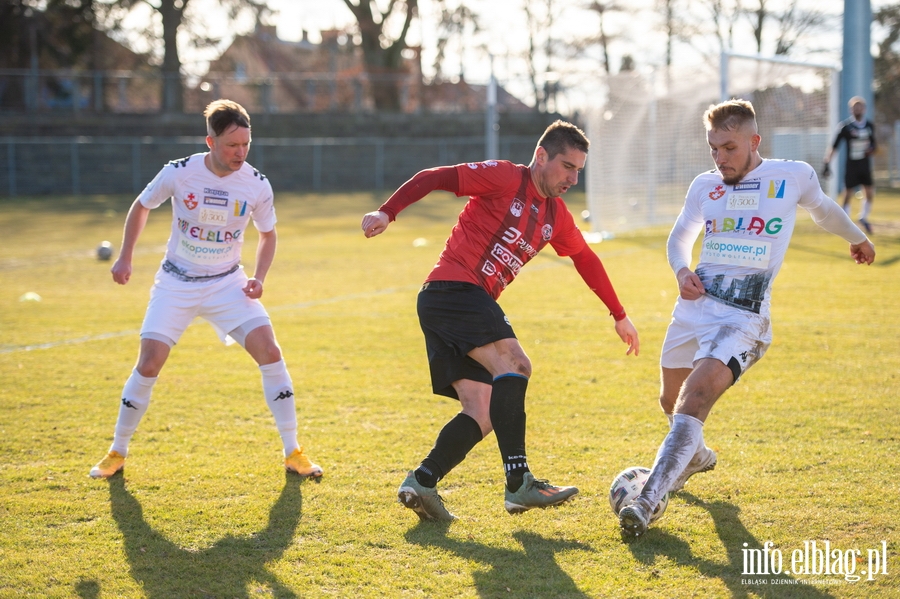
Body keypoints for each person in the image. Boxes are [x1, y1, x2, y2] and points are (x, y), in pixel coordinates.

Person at [618, 99, 875, 537]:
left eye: (729, 148)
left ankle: (646, 501)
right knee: (671, 402)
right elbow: (680, 236)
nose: (720, 158)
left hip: (744, 319)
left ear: (755, 142)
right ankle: (696, 457)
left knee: (695, 398)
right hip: (693, 310)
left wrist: (857, 236)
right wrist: (682, 270)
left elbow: (824, 210)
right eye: (713, 148)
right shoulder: (705, 185)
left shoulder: (792, 176)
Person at [360, 120, 640, 521]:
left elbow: (585, 259)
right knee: (516, 365)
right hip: (454, 290)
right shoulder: (505, 177)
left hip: (453, 304)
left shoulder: (555, 216)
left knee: (484, 409)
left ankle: (422, 480)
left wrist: (619, 314)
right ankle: (519, 484)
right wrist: (388, 212)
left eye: (579, 170)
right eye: (566, 166)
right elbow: (434, 177)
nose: (573, 178)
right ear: (541, 156)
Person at [89, 99, 322, 480]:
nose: (240, 153)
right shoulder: (179, 172)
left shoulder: (257, 183)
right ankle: (117, 452)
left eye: (246, 144)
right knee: (149, 363)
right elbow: (142, 205)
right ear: (210, 141)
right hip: (176, 282)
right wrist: (125, 257)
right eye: (232, 145)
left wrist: (259, 276)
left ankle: (293, 451)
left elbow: (268, 234)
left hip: (228, 283)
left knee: (271, 351)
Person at [823, 96, 876, 233]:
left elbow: (874, 145)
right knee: (848, 192)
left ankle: (863, 217)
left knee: (869, 192)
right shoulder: (845, 127)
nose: (857, 110)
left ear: (864, 109)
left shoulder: (869, 126)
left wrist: (872, 149)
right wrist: (827, 162)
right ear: (851, 110)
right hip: (852, 165)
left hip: (865, 165)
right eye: (854, 107)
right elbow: (834, 146)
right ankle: (845, 221)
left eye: (859, 107)